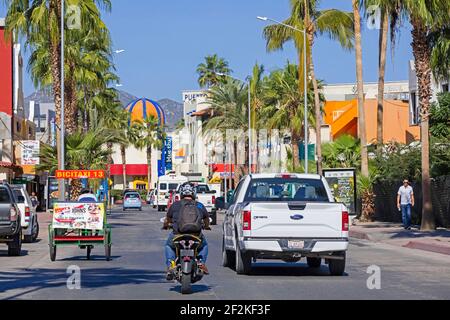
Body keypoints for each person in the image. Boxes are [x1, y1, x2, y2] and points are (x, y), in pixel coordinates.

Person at [162, 183, 211, 280]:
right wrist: (206, 226)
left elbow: (167, 219)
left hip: (177, 235)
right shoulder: (200, 205)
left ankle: (171, 264)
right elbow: (206, 219)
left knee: (169, 245)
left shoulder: (175, 205)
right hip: (196, 235)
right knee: (204, 245)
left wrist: (165, 226)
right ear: (194, 193)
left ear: (181, 193)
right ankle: (201, 262)